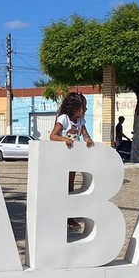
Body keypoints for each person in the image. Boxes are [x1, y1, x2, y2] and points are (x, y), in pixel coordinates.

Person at [50, 92, 94, 231]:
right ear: (75, 107)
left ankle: (68, 216)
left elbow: (86, 135)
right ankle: (61, 216)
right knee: (62, 187)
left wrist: (87, 140)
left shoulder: (80, 121)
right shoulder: (63, 119)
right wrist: (65, 140)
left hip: (73, 159)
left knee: (70, 187)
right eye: (83, 107)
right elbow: (53, 135)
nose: (85, 110)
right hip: (62, 159)